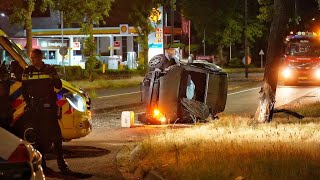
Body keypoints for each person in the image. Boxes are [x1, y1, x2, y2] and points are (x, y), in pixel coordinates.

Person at [21, 49, 71, 175]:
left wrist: (54, 76)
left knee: (56, 136)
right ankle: (42, 166)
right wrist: (29, 104)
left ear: (41, 57)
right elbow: (24, 90)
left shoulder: (49, 69)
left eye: (35, 58)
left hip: (49, 107)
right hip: (36, 109)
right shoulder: (28, 71)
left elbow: (58, 85)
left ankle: (62, 165)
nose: (32, 60)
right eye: (31, 58)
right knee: (39, 139)